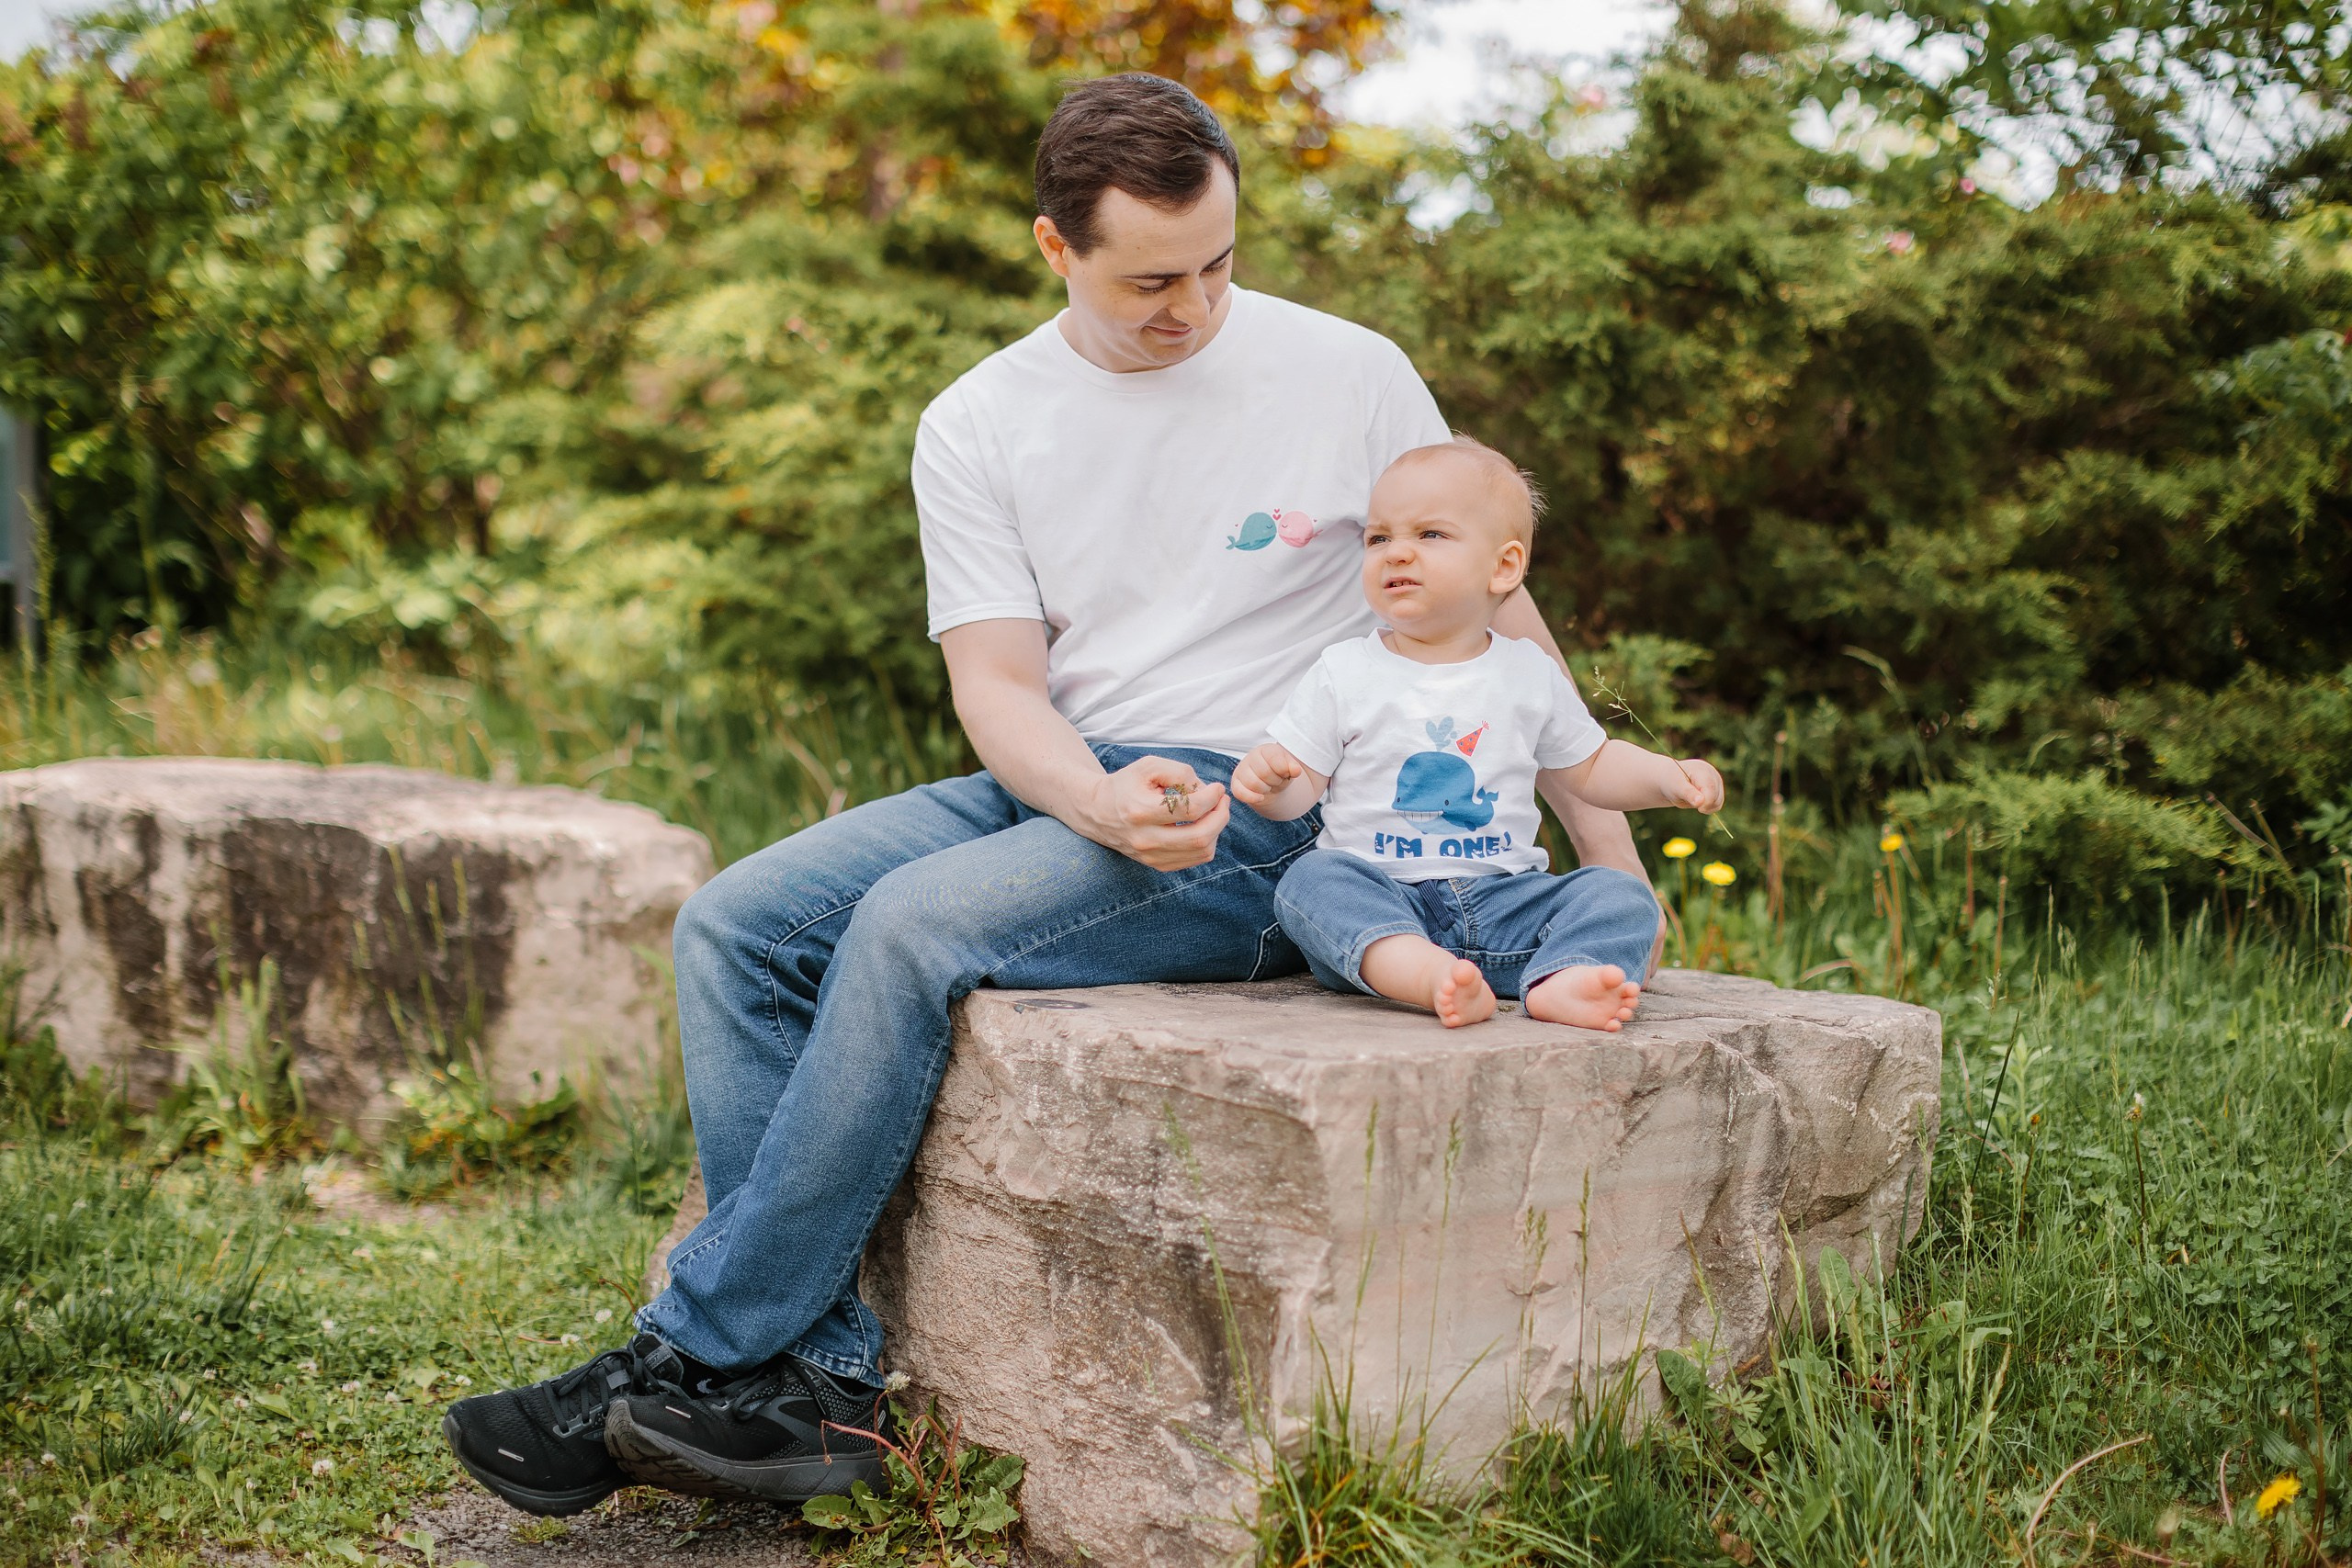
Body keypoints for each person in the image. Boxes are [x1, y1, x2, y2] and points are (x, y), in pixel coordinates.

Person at [441, 73, 1664, 1517]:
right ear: (1053, 248)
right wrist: (1092, 798)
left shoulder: (1352, 369)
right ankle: (817, 1378)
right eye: (1152, 279)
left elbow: (1489, 597)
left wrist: (1604, 842)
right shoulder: (980, 420)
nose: (1195, 306)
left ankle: (693, 1350)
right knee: (732, 924)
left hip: (1273, 808)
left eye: (1219, 262)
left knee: (903, 928)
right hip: (1071, 779)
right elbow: (1003, 690)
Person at [1231, 437, 1721, 1029]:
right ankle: (1420, 973)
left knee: (1620, 895)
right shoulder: (1345, 671)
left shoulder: (1527, 672)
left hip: (1509, 903)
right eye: (1379, 538)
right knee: (1311, 881)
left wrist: (1668, 779)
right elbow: (1300, 790)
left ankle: (1564, 978)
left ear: (1504, 566)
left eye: (1429, 535)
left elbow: (1592, 769)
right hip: (1386, 898)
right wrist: (1272, 784)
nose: (1397, 553)